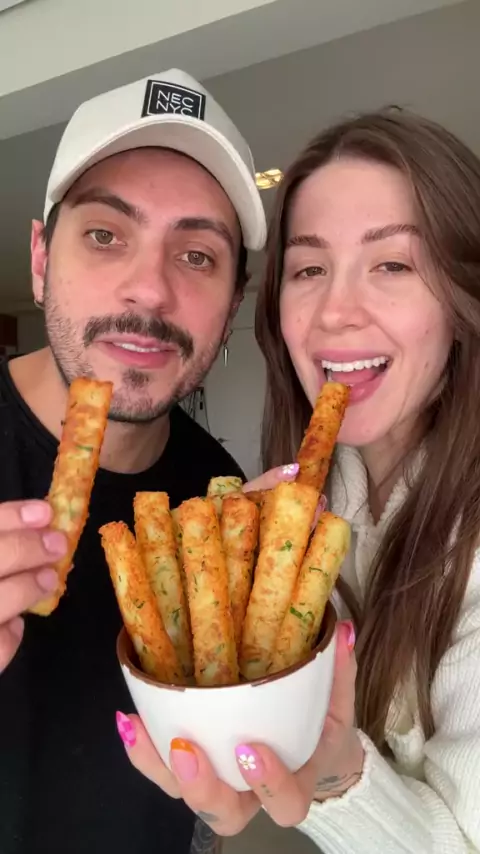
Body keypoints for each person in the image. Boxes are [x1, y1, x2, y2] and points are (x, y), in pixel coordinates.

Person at [121, 107, 480, 853]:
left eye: (393, 264)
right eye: (309, 269)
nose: (335, 313)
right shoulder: (293, 503)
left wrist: (335, 776)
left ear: (463, 299)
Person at [0, 66, 282, 854]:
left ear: (230, 308)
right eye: (105, 235)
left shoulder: (221, 503)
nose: (150, 290)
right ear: (40, 259)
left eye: (197, 256)